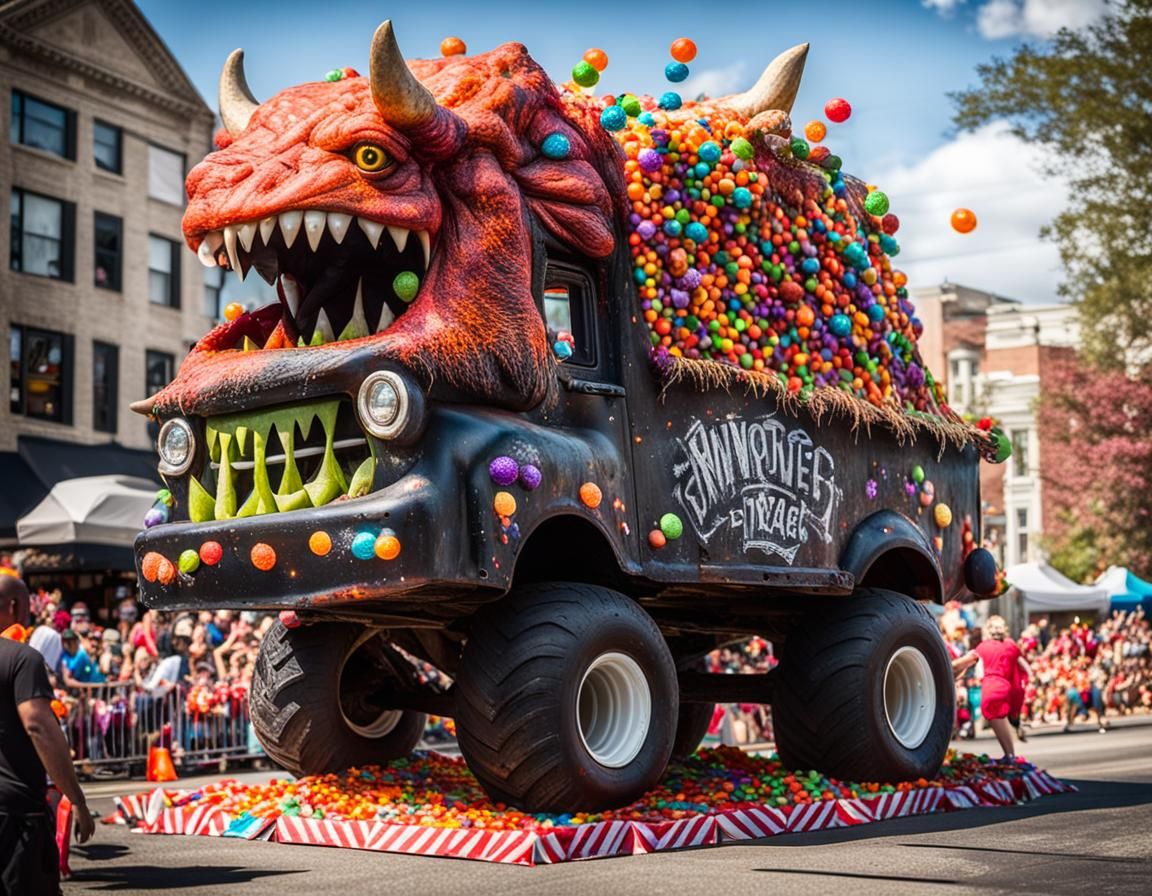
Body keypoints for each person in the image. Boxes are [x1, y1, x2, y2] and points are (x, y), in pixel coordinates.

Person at [0, 575, 94, 894]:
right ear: (15, 606)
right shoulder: (21, 659)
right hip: (14, 815)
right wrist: (77, 800)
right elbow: (38, 726)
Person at [953, 615, 1032, 760]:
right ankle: (1010, 754)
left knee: (997, 724)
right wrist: (1029, 680)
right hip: (1005, 687)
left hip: (990, 686)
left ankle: (1010, 755)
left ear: (988, 630)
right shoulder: (1011, 645)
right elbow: (1026, 667)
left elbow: (976, 667)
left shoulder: (983, 647)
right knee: (1002, 722)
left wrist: (955, 671)